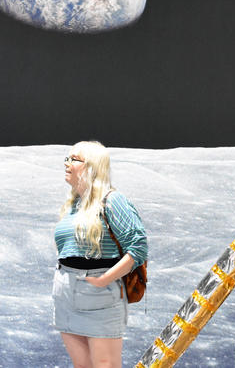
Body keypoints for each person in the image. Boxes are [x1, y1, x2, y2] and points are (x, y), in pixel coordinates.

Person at [54, 141, 148, 368]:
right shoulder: (74, 204)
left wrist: (104, 279)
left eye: (74, 159)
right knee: (82, 365)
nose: (67, 164)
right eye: (67, 158)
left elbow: (138, 247)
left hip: (100, 294)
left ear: (92, 167)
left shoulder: (113, 201)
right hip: (66, 291)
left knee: (105, 364)